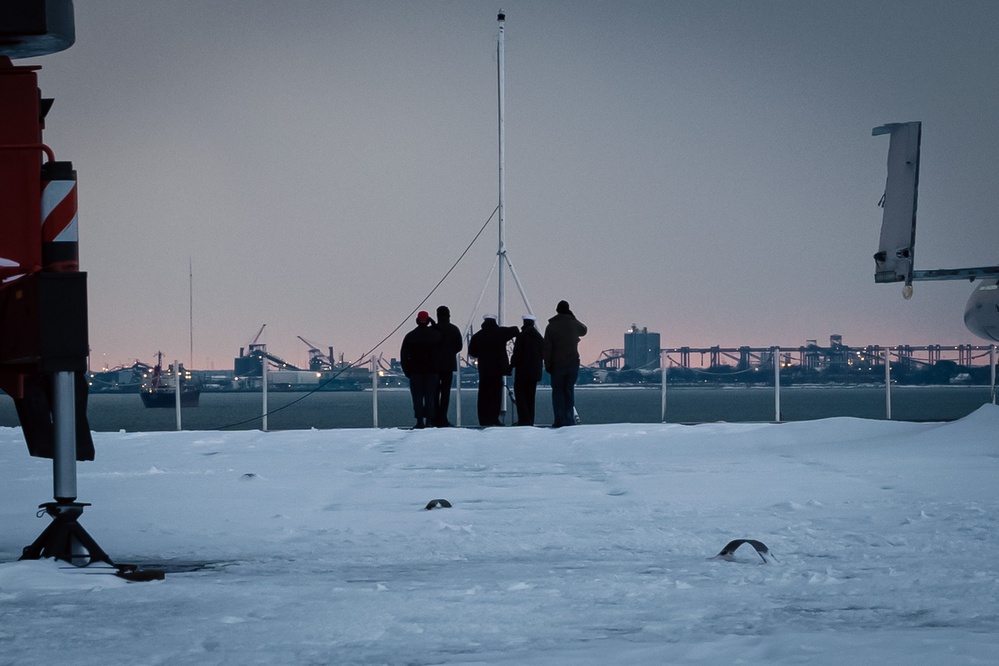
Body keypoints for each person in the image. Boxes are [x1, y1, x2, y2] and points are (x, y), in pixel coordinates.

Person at [467, 314, 519, 426]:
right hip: (498, 369)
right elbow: (515, 330)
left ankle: (484, 419)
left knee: (483, 395)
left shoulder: (477, 336)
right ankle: (494, 418)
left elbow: (472, 353)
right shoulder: (500, 332)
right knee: (495, 395)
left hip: (484, 370)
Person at [543, 300, 587, 427]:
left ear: (557, 310)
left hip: (557, 364)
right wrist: (573, 317)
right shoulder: (573, 324)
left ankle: (559, 420)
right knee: (569, 391)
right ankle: (569, 419)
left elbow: (547, 348)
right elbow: (584, 330)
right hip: (572, 363)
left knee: (557, 393)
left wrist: (548, 364)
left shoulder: (551, 327)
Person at [399, 310, 441, 429]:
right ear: (428, 320)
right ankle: (429, 420)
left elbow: (403, 356)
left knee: (417, 397)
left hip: (415, 372)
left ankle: (419, 421)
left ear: (417, 321)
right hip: (432, 371)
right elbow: (441, 335)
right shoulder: (435, 335)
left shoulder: (410, 336)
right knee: (430, 396)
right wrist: (434, 324)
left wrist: (407, 371)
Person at [510, 314, 544, 426]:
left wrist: (511, 366)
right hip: (535, 372)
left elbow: (517, 354)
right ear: (533, 323)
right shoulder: (539, 337)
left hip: (522, 371)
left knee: (520, 396)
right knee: (531, 397)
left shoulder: (521, 336)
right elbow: (544, 353)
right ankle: (530, 420)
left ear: (524, 323)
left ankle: (523, 420)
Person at [432, 305, 463, 427]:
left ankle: (434, 417)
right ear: (449, 315)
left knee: (434, 393)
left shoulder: (433, 329)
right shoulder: (454, 329)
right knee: (445, 393)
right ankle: (443, 418)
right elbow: (459, 346)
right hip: (448, 365)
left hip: (434, 366)